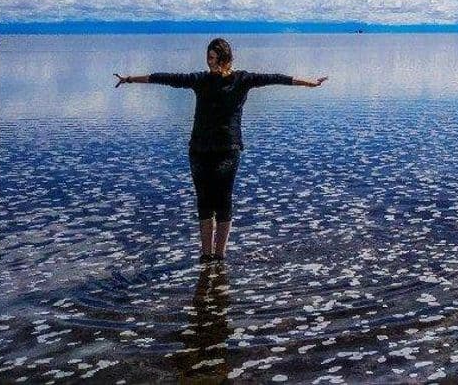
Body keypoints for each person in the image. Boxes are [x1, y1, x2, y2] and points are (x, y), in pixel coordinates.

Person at [114, 38, 326, 263]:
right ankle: (206, 256)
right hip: (199, 149)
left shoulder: (242, 80)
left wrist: (310, 83)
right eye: (208, 58)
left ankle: (220, 255)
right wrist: (129, 79)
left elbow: (276, 78)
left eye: (213, 58)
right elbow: (165, 78)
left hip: (228, 149)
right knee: (204, 201)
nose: (209, 63)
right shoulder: (201, 80)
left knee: (223, 200)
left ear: (225, 58)